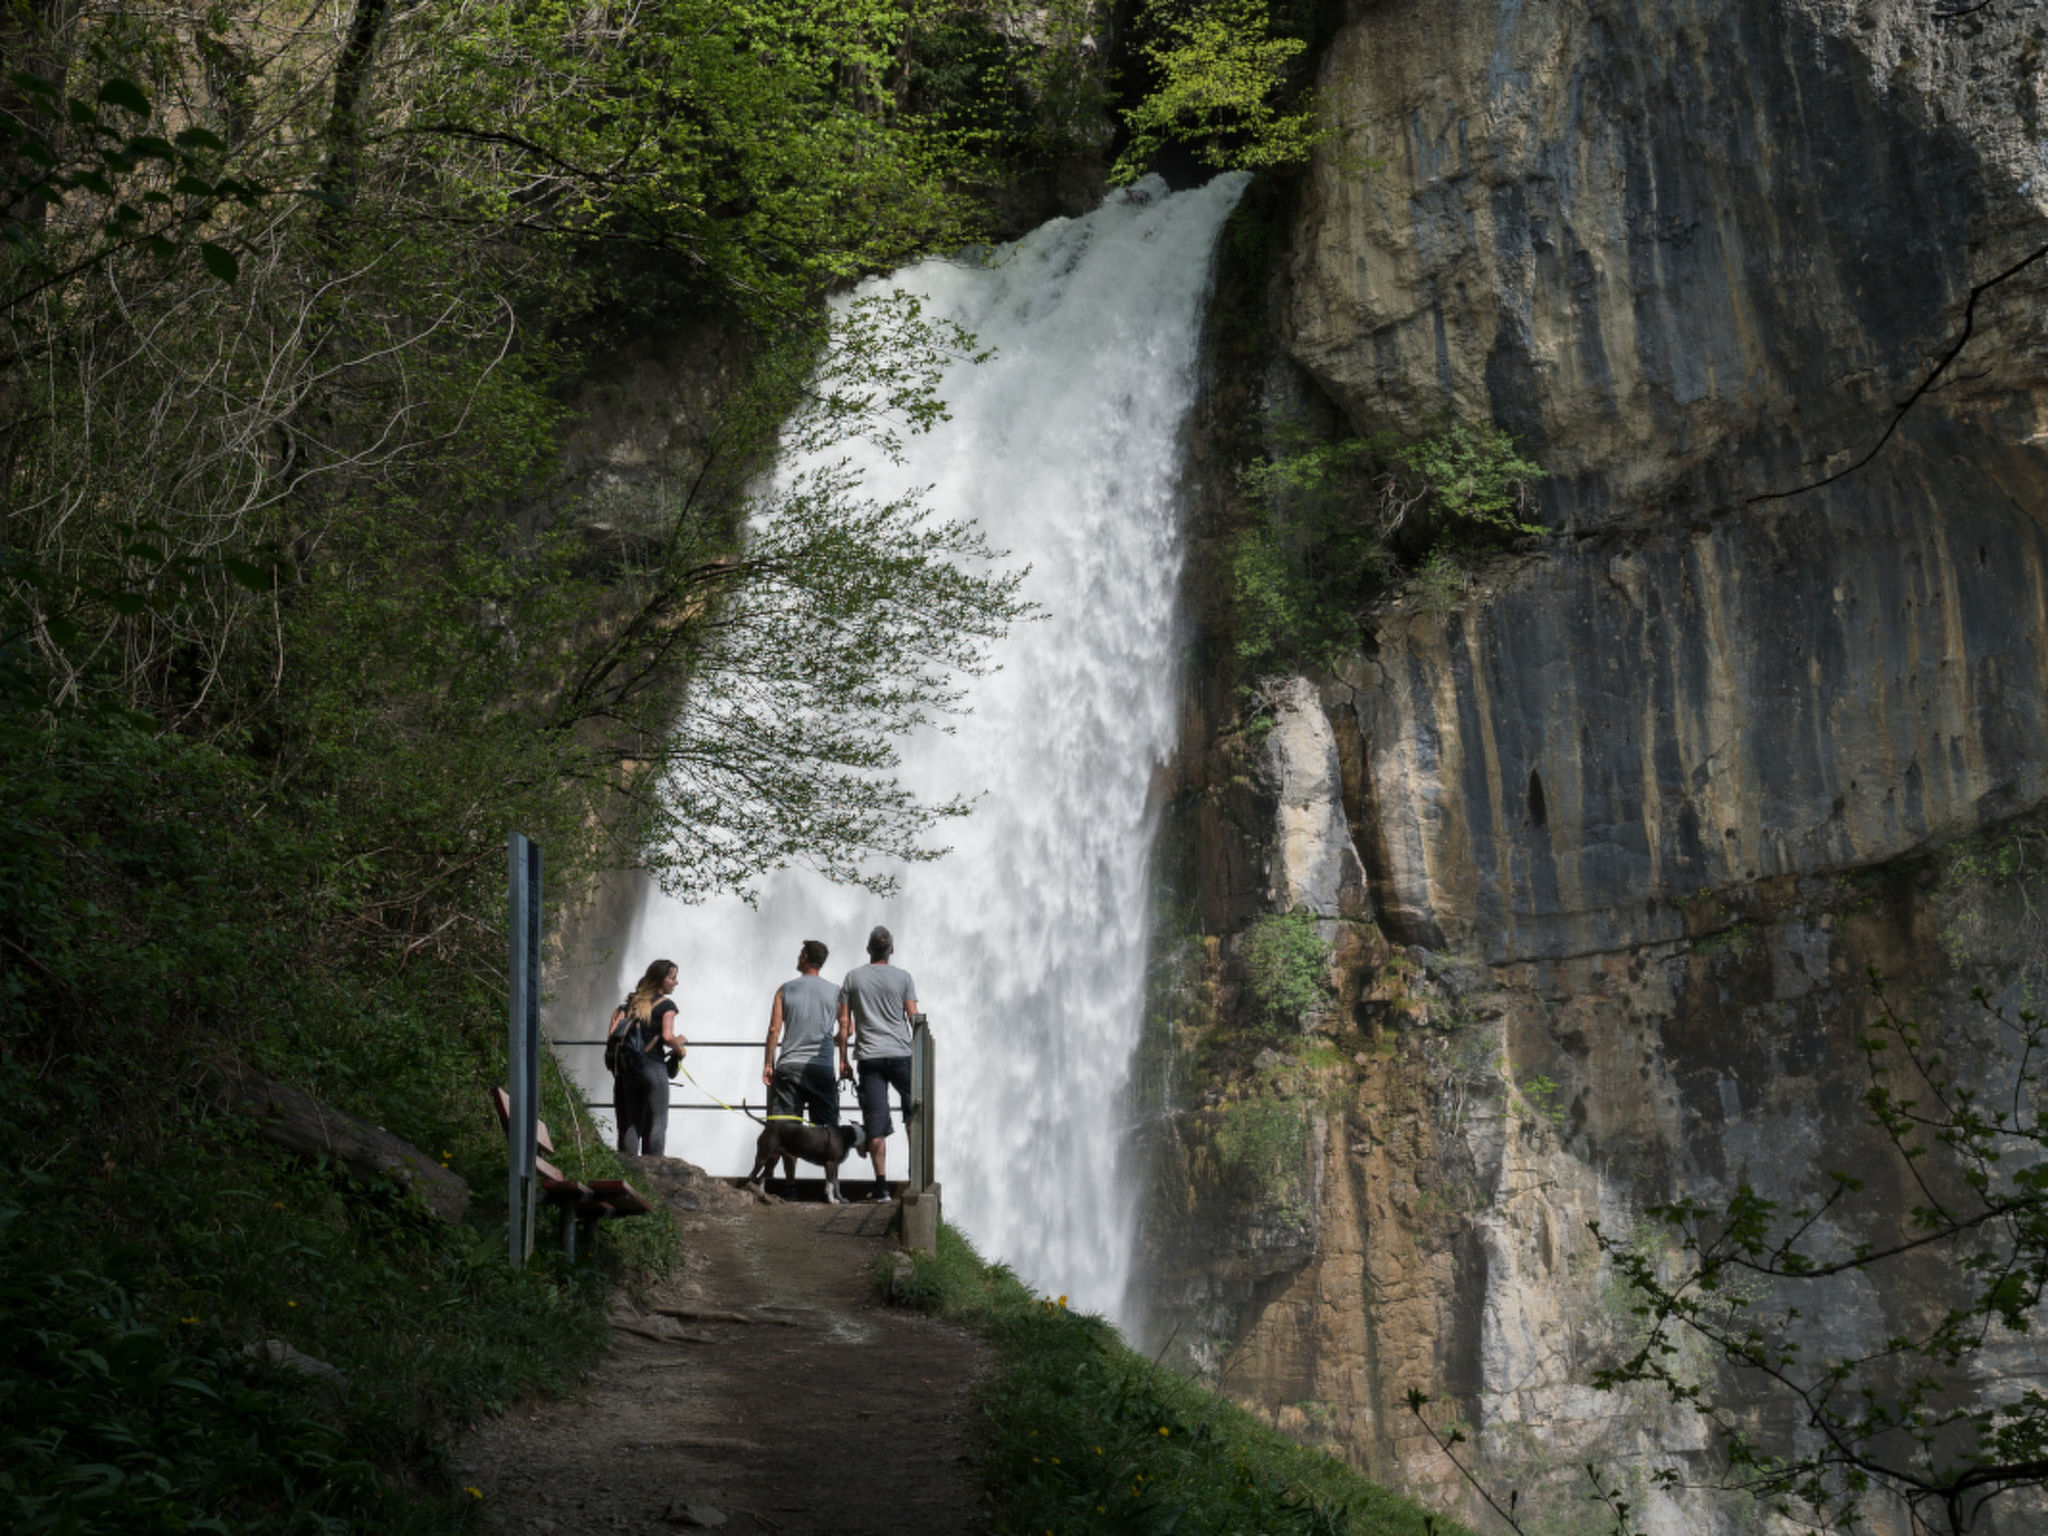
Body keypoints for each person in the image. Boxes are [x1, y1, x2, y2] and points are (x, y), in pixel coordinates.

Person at [837, 925, 918, 1200]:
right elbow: (913, 1017)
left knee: (875, 1122)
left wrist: (843, 1060)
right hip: (901, 1055)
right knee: (912, 1113)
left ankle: (881, 1186)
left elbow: (845, 1024)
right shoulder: (904, 978)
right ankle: (915, 1176)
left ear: (868, 949)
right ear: (891, 950)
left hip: (869, 1058)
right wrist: (919, 1053)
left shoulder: (853, 978)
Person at [608, 959, 685, 1157]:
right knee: (659, 1121)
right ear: (661, 979)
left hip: (630, 1069)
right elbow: (667, 1037)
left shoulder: (631, 1004)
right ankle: (656, 1169)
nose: (676, 982)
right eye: (673, 978)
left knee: (634, 1122)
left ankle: (631, 1169)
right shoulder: (667, 1005)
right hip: (653, 1067)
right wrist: (680, 1046)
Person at [762, 939, 841, 1129]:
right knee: (825, 1130)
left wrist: (768, 1063)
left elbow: (774, 1030)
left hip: (790, 1067)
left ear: (805, 957)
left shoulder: (784, 989)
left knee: (786, 1130)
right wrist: (829, 1043)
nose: (798, 957)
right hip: (822, 1067)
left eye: (800, 954)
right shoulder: (836, 992)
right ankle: (824, 1158)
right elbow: (849, 1029)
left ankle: (789, 1160)